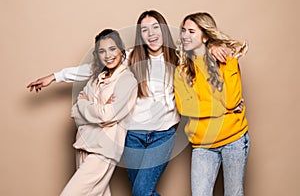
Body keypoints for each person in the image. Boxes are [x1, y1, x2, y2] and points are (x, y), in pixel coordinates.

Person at [27, 10, 227, 196]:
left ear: (163, 30)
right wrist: (55, 77)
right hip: (132, 137)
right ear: (140, 35)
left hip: (163, 135)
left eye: (155, 27)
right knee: (140, 192)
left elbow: (202, 58)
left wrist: (214, 45)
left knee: (141, 191)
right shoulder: (131, 57)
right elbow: (95, 66)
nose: (151, 33)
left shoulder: (179, 58)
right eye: (144, 30)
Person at [174, 12, 250, 196]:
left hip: (233, 139)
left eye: (191, 31)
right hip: (202, 144)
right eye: (183, 30)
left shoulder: (225, 60)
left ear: (205, 36)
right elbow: (186, 107)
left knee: (234, 193)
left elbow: (232, 100)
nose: (185, 35)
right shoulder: (182, 69)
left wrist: (231, 61)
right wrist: (224, 108)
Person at [60, 29, 137, 196]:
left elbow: (106, 115)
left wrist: (88, 105)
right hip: (83, 143)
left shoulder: (127, 80)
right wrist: (93, 108)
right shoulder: (97, 77)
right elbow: (75, 110)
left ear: (121, 50)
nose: (107, 55)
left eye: (112, 49)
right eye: (102, 51)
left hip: (103, 149)